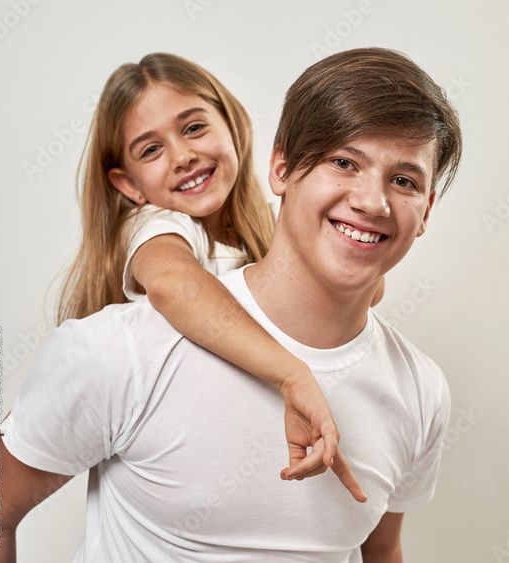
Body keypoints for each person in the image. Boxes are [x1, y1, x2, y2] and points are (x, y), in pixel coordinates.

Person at [0, 46, 461, 562]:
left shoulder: (420, 390)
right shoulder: (126, 336)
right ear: (282, 167)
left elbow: (381, 552)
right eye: (343, 162)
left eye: (403, 180)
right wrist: (294, 374)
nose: (374, 202)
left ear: (425, 210)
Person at [56, 52, 371, 490]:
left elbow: (365, 292)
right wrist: (292, 373)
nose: (183, 156)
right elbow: (173, 285)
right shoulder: (156, 227)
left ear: (234, 124)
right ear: (128, 185)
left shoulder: (262, 229)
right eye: (151, 149)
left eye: (193, 128)